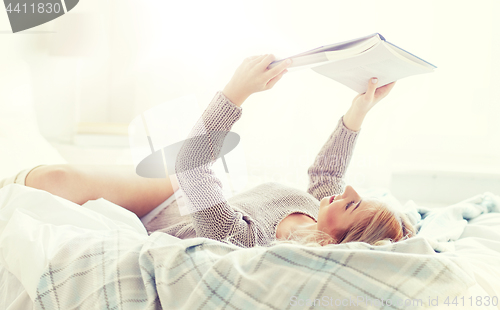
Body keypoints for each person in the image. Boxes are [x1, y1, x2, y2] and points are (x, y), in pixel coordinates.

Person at [0, 54, 414, 248]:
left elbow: (192, 168)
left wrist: (234, 94)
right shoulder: (314, 205)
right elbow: (327, 177)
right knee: (62, 171)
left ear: (333, 240)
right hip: (178, 190)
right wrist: (358, 112)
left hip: (163, 207)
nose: (350, 192)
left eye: (353, 207)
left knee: (52, 181)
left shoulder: (249, 241)